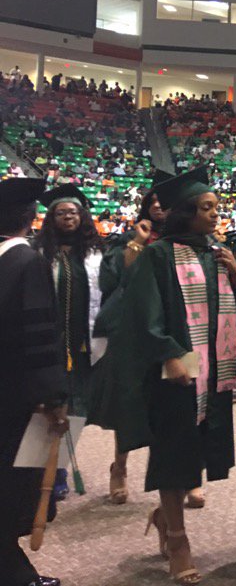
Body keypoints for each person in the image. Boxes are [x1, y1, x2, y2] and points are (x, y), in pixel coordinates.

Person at [109, 168, 236, 585]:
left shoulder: (218, 253)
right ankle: (177, 539)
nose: (215, 214)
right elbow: (143, 310)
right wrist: (168, 353)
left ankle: (164, 516)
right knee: (173, 450)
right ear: (187, 212)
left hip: (213, 367)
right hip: (179, 364)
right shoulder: (159, 254)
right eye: (207, 208)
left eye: (216, 207)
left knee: (195, 446)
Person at [0, 178, 67, 586]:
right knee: (13, 482)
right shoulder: (27, 263)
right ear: (31, 217)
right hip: (16, 396)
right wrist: (53, 395)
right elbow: (40, 337)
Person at [94, 172, 170, 505]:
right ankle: (120, 468)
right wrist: (138, 242)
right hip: (134, 330)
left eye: (163, 202)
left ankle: (175, 475)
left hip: (171, 327)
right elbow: (115, 281)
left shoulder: (183, 241)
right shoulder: (129, 238)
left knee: (171, 405)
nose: (158, 206)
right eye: (153, 201)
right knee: (129, 401)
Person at [35, 184, 104, 501]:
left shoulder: (94, 254)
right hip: (48, 342)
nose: (67, 217)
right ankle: (45, 470)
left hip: (81, 344)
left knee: (75, 407)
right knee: (46, 406)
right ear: (51, 219)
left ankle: (58, 467)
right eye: (61, 213)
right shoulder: (39, 253)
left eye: (73, 212)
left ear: (82, 217)